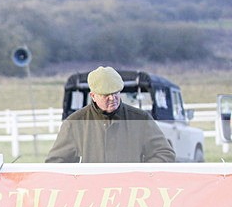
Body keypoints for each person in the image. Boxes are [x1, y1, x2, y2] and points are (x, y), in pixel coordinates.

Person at [45, 66, 175, 163]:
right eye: (106, 95)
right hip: (91, 194)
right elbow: (56, 162)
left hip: (133, 193)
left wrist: (141, 173)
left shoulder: (140, 119)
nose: (112, 98)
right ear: (93, 96)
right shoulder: (75, 123)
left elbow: (165, 153)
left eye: (115, 93)